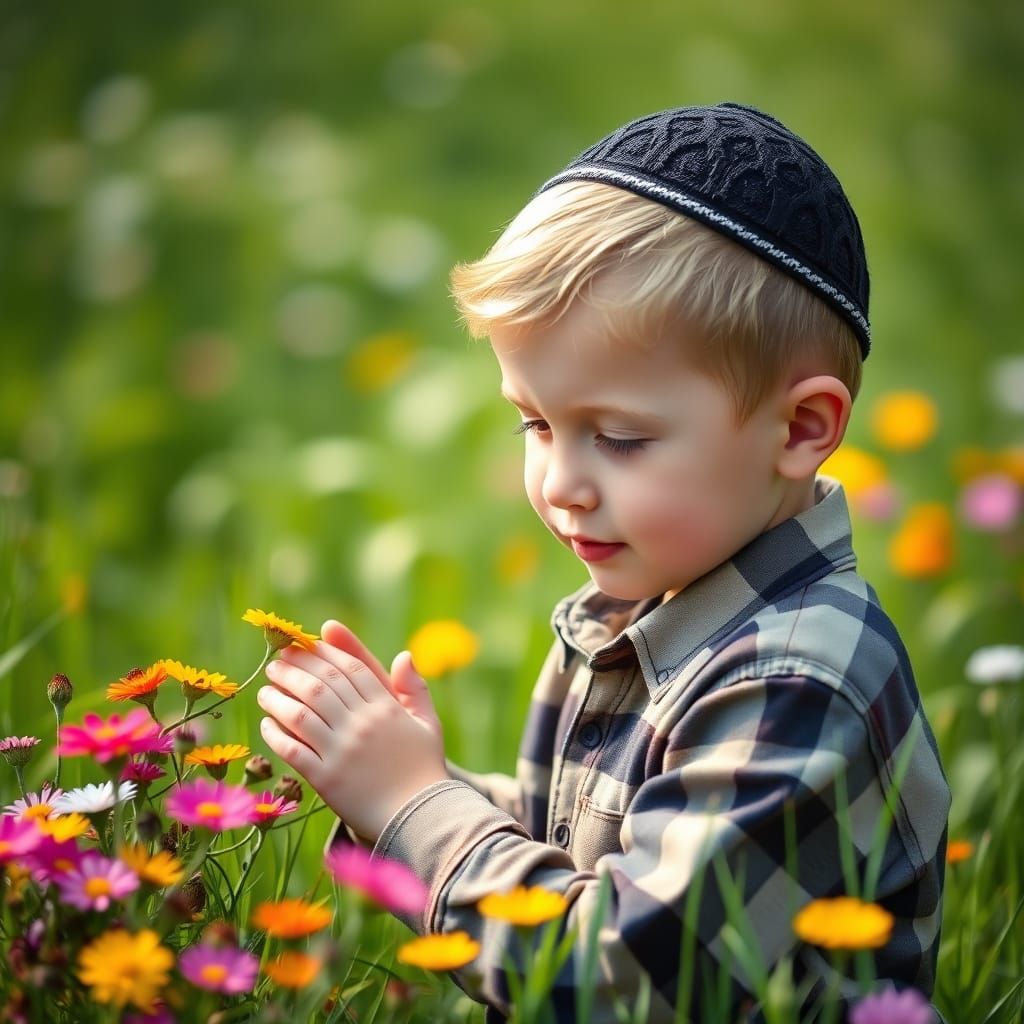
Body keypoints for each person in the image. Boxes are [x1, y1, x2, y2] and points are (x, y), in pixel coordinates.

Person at [256, 102, 951, 1022]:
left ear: (801, 428)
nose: (560, 484)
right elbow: (578, 847)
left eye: (619, 438)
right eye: (536, 424)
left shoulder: (799, 679)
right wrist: (400, 777)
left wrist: (416, 804)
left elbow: (621, 980)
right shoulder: (649, 607)